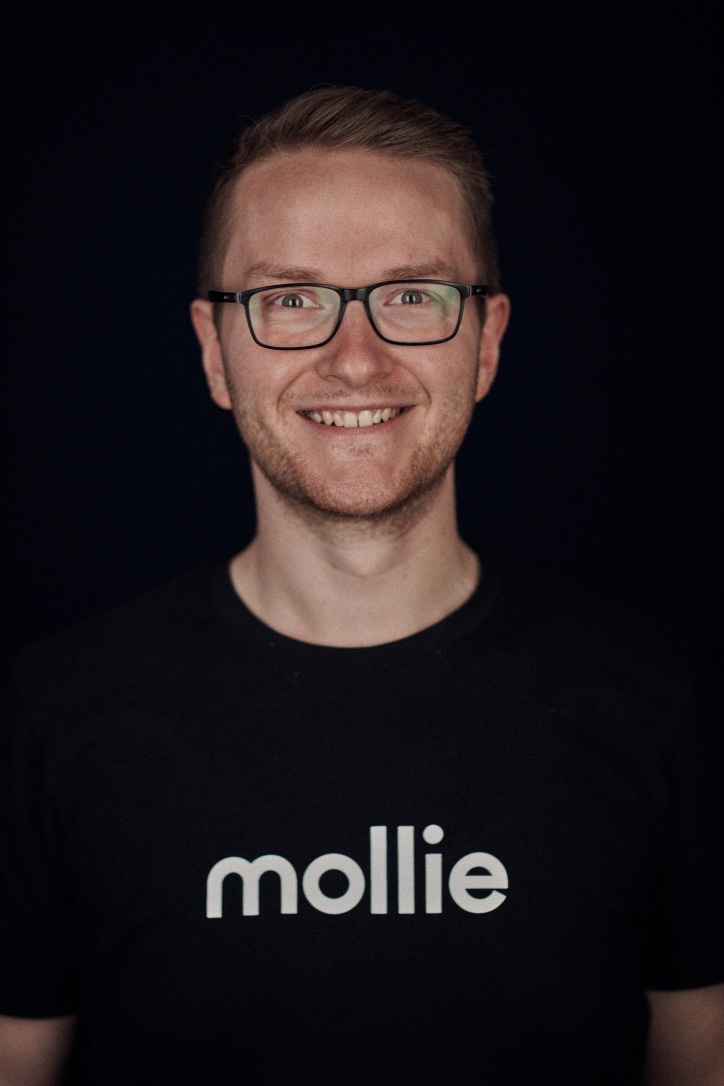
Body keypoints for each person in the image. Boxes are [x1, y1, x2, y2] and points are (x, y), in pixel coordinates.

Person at [1, 86, 722, 1085]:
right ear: (215, 351)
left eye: (412, 295)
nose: (353, 358)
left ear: (487, 341)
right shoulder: (50, 716)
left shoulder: (665, 705)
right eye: (290, 299)